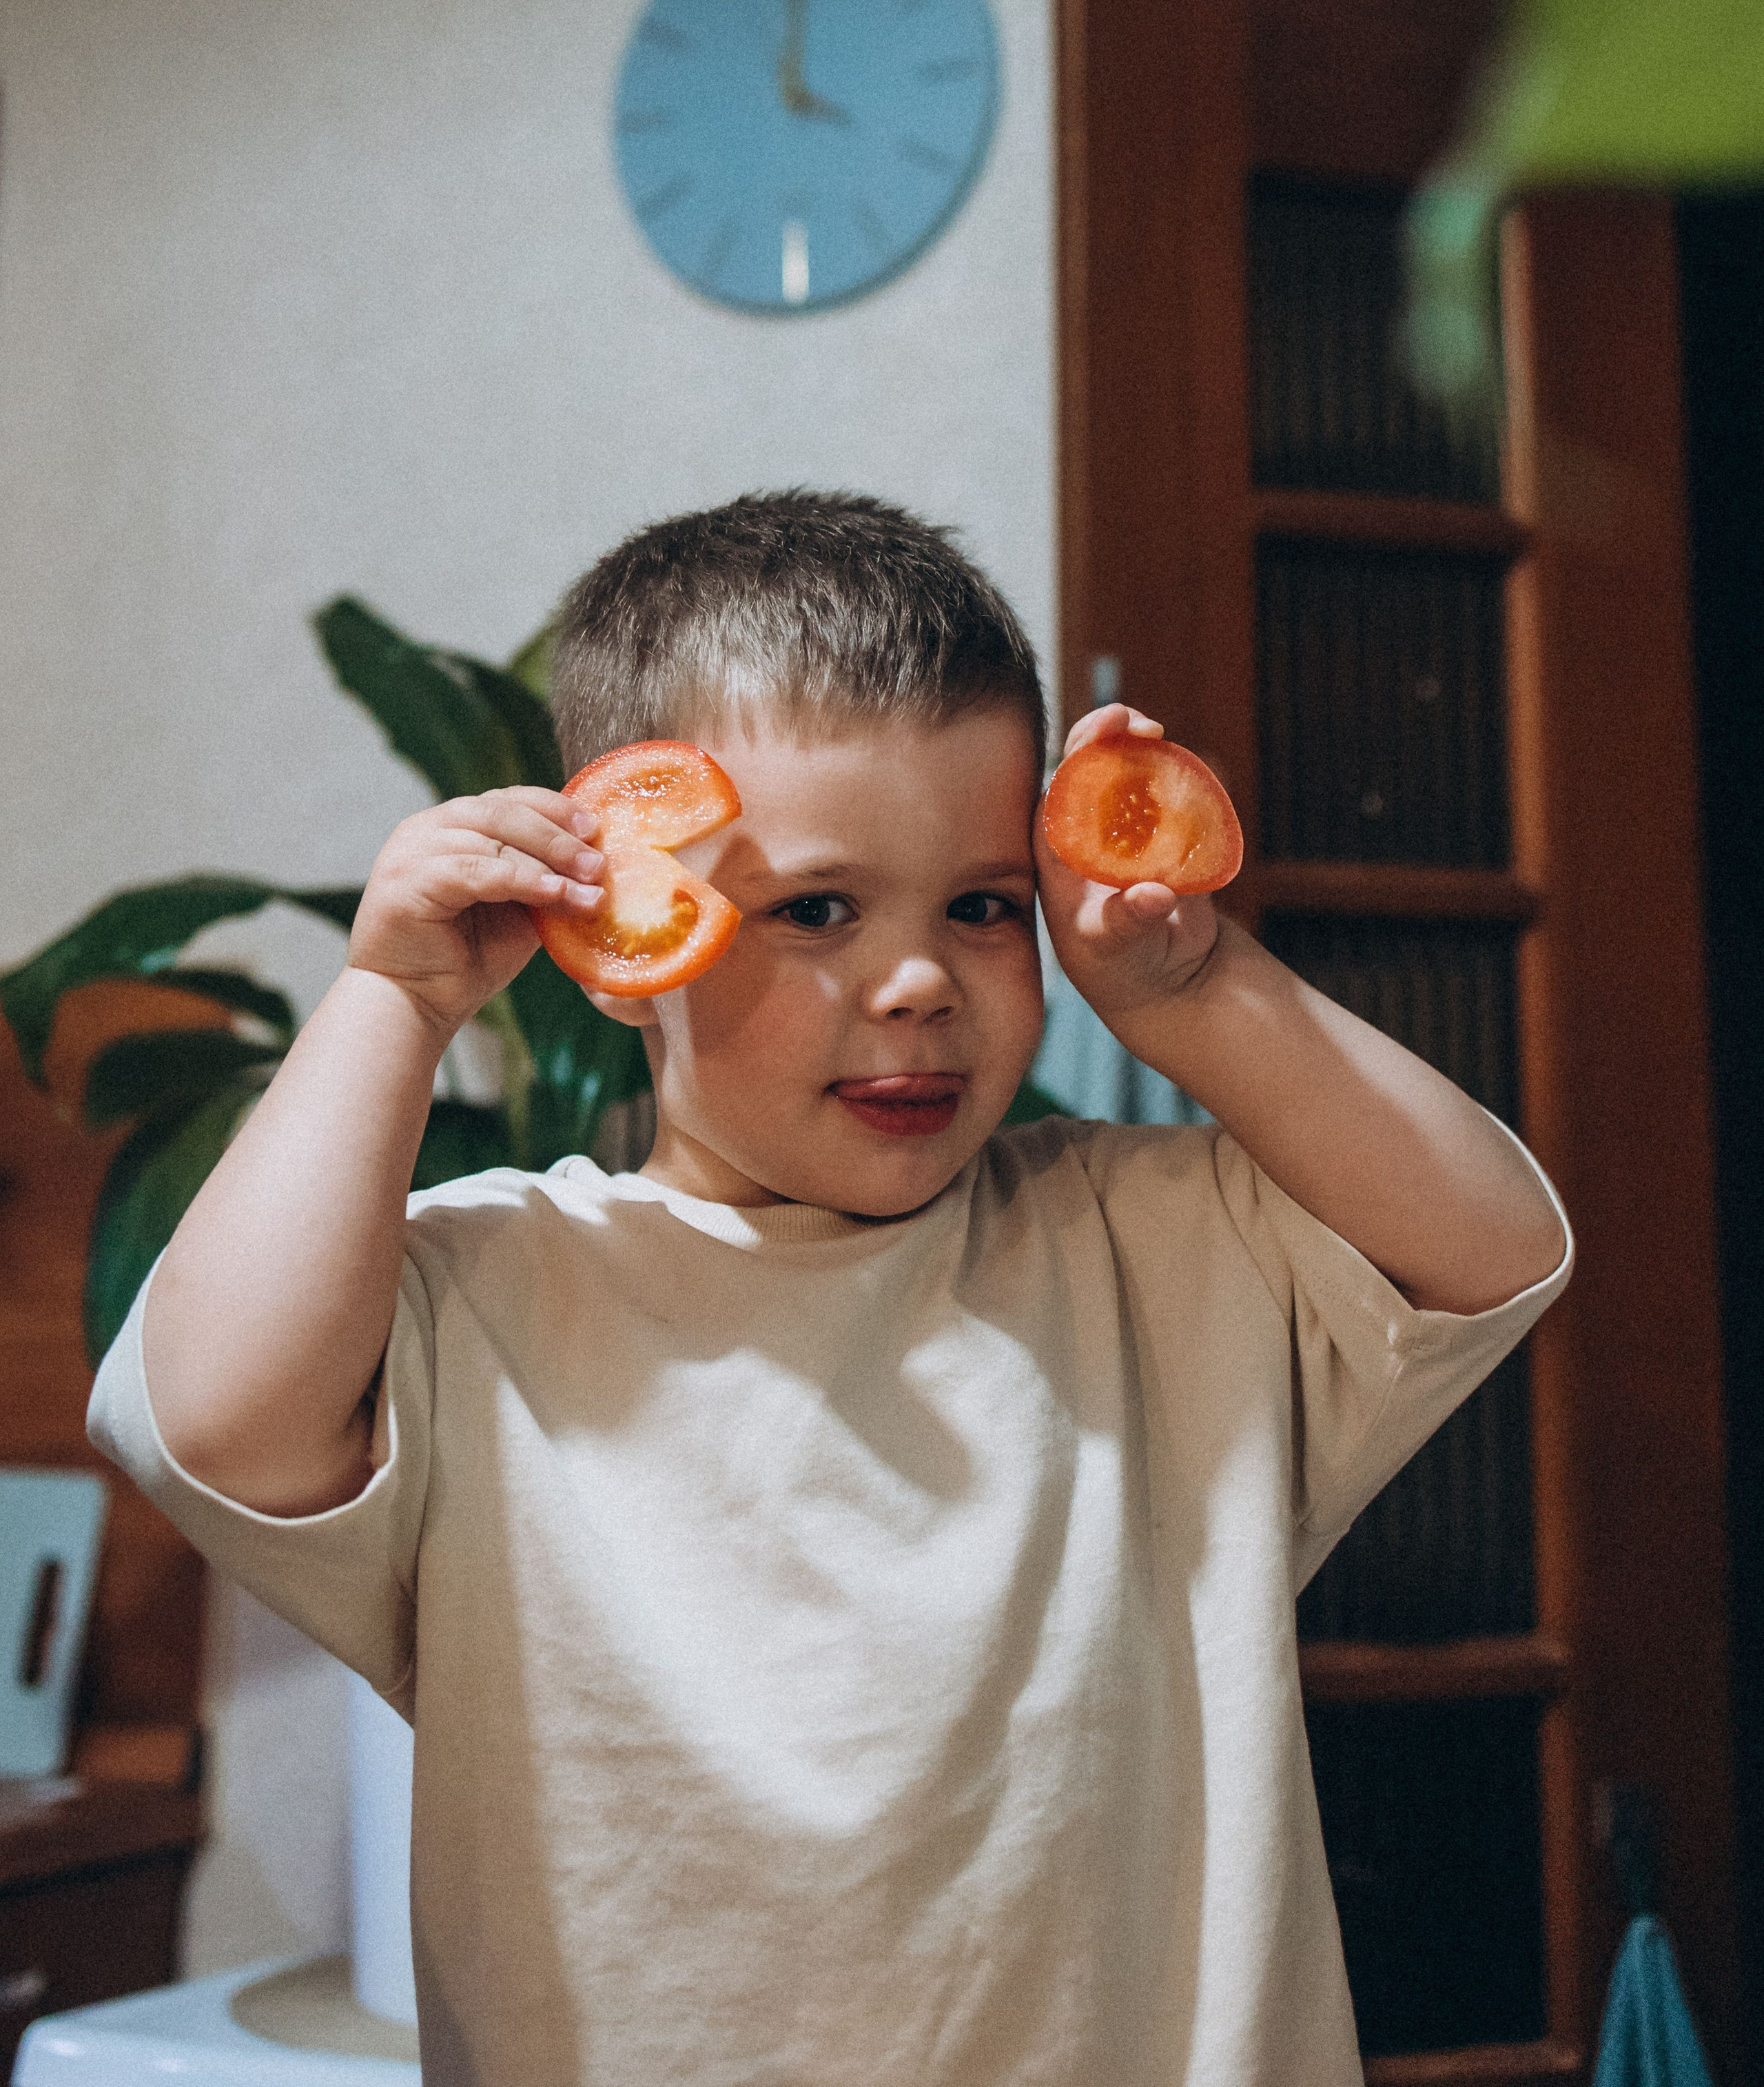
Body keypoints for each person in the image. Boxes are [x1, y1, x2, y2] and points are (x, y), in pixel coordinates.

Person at [89, 490, 1570, 2087]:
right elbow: (216, 1419)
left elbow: (1484, 1247)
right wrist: (392, 996)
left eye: (983, 907)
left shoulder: (1155, 1255)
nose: (920, 977)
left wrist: (1196, 985)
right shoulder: (495, 1295)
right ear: (621, 925)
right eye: (814, 910)